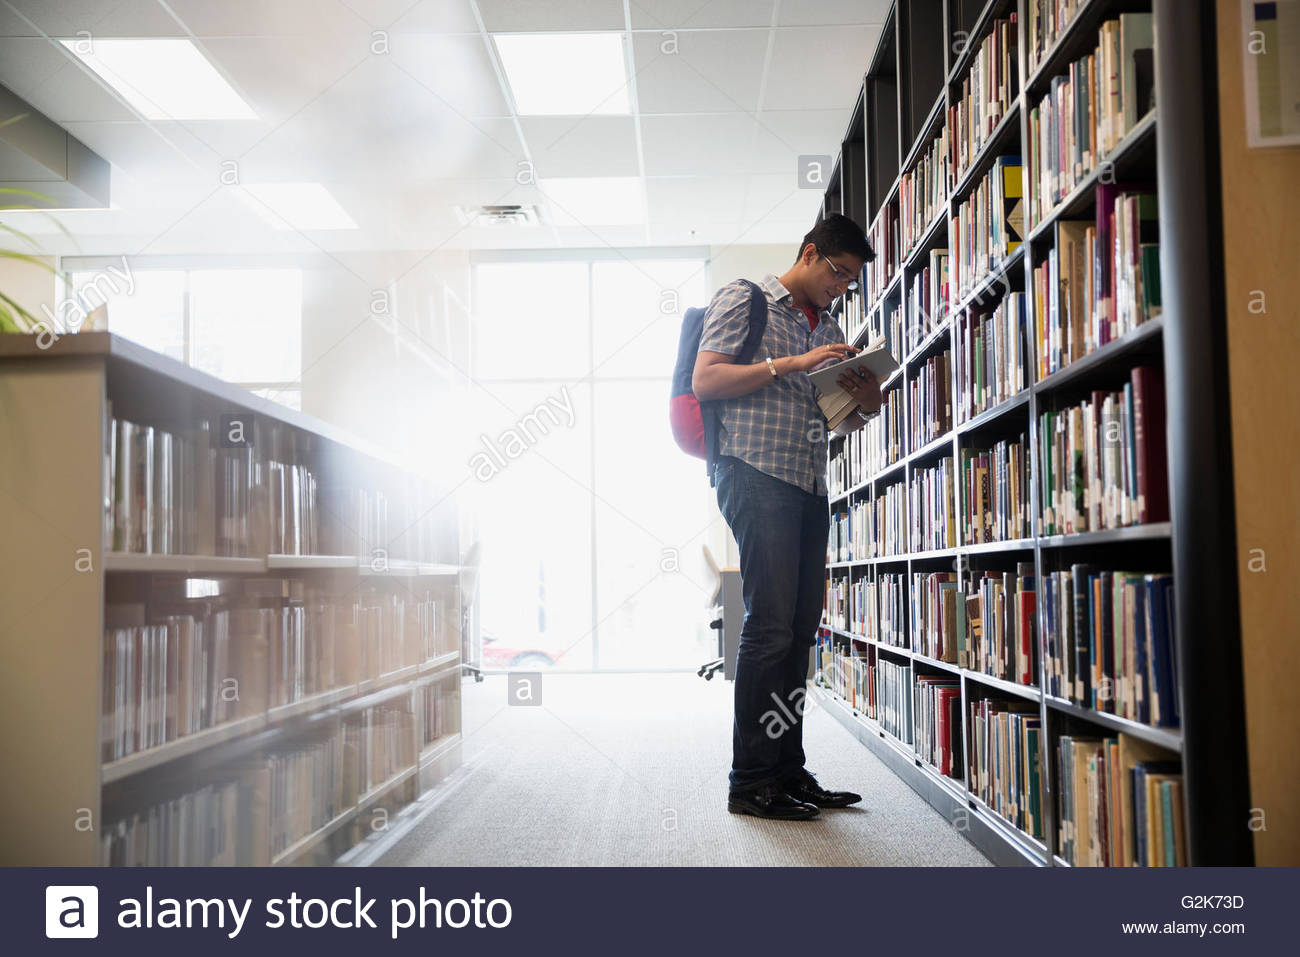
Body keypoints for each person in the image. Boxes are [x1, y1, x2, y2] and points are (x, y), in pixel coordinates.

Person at [693, 213, 881, 820]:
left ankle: (788, 768)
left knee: (800, 633)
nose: (843, 288)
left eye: (852, 282)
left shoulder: (827, 325)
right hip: (753, 471)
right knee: (770, 628)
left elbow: (833, 421)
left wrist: (862, 406)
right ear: (810, 253)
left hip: (807, 481)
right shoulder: (745, 299)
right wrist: (792, 365)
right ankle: (749, 781)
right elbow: (708, 379)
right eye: (840, 273)